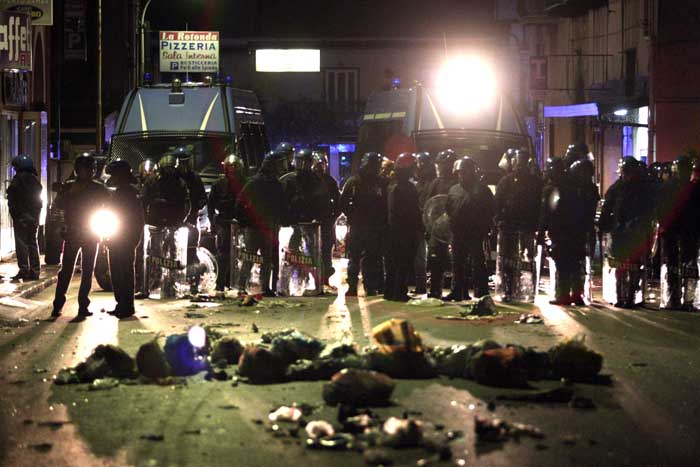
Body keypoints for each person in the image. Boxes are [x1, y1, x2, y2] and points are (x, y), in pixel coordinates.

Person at [50, 155, 110, 319]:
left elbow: (111, 204)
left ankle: (83, 306)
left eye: (89, 169)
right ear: (77, 169)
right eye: (84, 169)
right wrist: (60, 226)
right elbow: (58, 206)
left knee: (87, 270)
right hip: (73, 233)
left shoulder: (99, 188)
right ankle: (58, 305)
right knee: (66, 270)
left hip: (91, 232)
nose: (87, 172)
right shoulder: (69, 187)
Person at [542, 158, 599, 305]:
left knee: (564, 264)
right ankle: (576, 295)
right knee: (575, 264)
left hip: (563, 231)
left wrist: (544, 230)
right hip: (577, 231)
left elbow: (549, 211)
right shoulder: (584, 190)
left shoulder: (562, 187)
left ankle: (564, 295)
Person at [599, 157, 653, 308]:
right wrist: (604, 226)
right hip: (619, 233)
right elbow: (607, 209)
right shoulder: (616, 189)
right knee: (619, 266)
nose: (627, 175)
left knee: (635, 266)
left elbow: (649, 211)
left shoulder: (643, 189)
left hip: (635, 233)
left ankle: (631, 296)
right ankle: (620, 296)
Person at [494, 149, 543, 302]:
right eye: (517, 161)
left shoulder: (535, 182)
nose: (519, 165)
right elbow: (497, 203)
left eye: (522, 161)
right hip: (509, 227)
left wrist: (538, 225)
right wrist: (498, 220)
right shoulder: (506, 181)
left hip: (527, 227)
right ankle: (508, 289)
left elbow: (539, 205)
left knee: (527, 261)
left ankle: (525, 291)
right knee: (508, 260)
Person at [236, 150, 287, 296]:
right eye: (279, 164)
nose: (282, 167)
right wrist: (245, 220)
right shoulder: (256, 182)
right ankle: (243, 286)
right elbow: (240, 201)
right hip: (255, 226)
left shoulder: (275, 183)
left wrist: (282, 219)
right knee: (251, 257)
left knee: (266, 258)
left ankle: (264, 287)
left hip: (268, 225)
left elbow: (282, 205)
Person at [141, 154, 191, 297]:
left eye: (171, 168)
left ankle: (172, 284)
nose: (169, 171)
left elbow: (186, 202)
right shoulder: (152, 182)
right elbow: (143, 201)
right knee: (154, 255)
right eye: (166, 168)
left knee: (173, 256)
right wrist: (146, 219)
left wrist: (180, 220)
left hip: (173, 224)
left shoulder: (180, 183)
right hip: (155, 225)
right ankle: (153, 285)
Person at [445, 157, 494, 301]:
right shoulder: (454, 189)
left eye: (464, 172)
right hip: (458, 232)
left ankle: (482, 292)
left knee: (478, 263)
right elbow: (448, 208)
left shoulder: (483, 190)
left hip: (475, 232)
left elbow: (490, 210)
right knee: (457, 263)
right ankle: (458, 291)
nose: (462, 175)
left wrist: (484, 228)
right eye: (460, 173)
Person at [340, 152, 386, 296]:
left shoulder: (381, 182)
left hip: (374, 227)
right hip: (357, 226)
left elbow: (385, 203)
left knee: (372, 258)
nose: (374, 169)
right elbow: (343, 203)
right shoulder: (354, 182)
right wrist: (352, 215)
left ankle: (370, 286)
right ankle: (352, 286)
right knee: (354, 257)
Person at [656, 155, 699, 310]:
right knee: (677, 266)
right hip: (680, 231)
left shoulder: (691, 188)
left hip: (682, 231)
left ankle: (680, 300)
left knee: (681, 266)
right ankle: (680, 300)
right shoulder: (688, 188)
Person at [104, 159, 144, 319]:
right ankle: (122, 304)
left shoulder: (130, 193)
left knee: (124, 272)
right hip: (116, 237)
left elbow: (137, 219)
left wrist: (133, 238)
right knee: (117, 272)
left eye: (114, 175)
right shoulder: (119, 192)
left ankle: (127, 305)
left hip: (124, 239)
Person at [207, 154, 247, 296]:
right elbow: (211, 205)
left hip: (241, 225)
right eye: (230, 167)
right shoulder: (219, 184)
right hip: (224, 223)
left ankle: (239, 285)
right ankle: (220, 284)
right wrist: (213, 223)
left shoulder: (245, 183)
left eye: (234, 167)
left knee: (241, 255)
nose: (232, 170)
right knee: (223, 255)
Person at [385, 153, 422, 301]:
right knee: (403, 262)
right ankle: (400, 292)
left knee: (393, 263)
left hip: (392, 231)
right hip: (404, 231)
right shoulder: (407, 187)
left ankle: (390, 292)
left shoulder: (391, 185)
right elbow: (412, 211)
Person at [173, 145, 207, 295]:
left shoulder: (195, 178)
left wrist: (197, 206)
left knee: (192, 252)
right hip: (175, 222)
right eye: (180, 162)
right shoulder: (172, 179)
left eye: (185, 162)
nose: (183, 165)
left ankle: (194, 283)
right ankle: (172, 283)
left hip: (192, 221)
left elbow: (203, 198)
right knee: (172, 253)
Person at [425, 149, 458, 298]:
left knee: (457, 261)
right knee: (435, 260)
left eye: (442, 164)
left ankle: (457, 290)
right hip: (437, 228)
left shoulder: (458, 183)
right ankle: (435, 289)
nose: (439, 167)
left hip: (455, 227)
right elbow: (428, 204)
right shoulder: (436, 183)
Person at [6, 155, 42, 282]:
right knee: (33, 243)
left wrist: (15, 213)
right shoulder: (34, 181)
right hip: (34, 218)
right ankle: (35, 271)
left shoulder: (18, 180)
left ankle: (24, 270)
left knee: (21, 244)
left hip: (22, 217)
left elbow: (11, 194)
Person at [312, 151, 340, 286]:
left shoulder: (330, 181)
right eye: (318, 164)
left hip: (326, 223)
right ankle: (311, 279)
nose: (320, 166)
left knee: (326, 252)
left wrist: (333, 217)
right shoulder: (308, 181)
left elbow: (339, 202)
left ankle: (325, 279)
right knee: (310, 252)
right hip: (310, 223)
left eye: (322, 164)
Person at [134, 159, 158, 299]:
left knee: (154, 255)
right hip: (137, 224)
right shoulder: (134, 185)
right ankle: (138, 285)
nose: (148, 174)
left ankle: (152, 285)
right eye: (145, 172)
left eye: (150, 172)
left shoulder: (158, 185)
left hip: (154, 224)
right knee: (138, 256)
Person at [412, 152, 435, 294]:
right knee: (419, 257)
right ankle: (421, 285)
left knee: (426, 256)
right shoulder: (418, 183)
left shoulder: (432, 183)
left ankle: (428, 286)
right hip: (419, 223)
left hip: (429, 224)